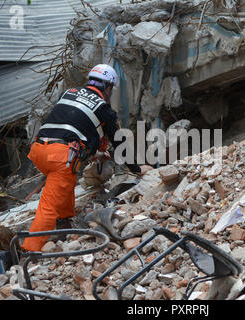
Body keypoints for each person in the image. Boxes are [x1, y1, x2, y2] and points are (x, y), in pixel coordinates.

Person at [22, 64, 152, 252]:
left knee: (67, 179)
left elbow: (72, 126)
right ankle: (29, 251)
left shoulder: (69, 93)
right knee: (48, 207)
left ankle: (65, 222)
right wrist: (137, 169)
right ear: (108, 87)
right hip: (61, 157)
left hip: (39, 150)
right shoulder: (103, 108)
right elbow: (119, 143)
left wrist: (94, 152)